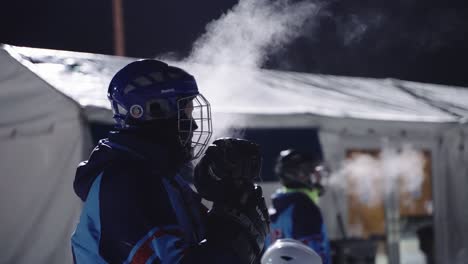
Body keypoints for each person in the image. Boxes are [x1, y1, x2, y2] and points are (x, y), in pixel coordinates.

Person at [71, 59, 269, 264]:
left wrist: (229, 204)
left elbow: (194, 242)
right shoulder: (125, 183)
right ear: (154, 111)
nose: (192, 125)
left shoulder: (162, 179)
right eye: (186, 114)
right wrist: (236, 239)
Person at [266, 149, 331, 264]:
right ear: (301, 175)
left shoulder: (278, 205)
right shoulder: (304, 208)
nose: (319, 179)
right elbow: (314, 255)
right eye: (315, 173)